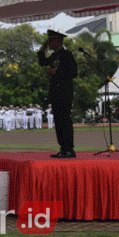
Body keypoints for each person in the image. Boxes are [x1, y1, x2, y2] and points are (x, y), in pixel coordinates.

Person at [37, 29, 78, 158]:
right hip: (55, 92)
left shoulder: (66, 54)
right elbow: (43, 62)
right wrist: (41, 51)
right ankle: (63, 147)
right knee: (58, 120)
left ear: (57, 41)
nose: (49, 43)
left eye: (51, 41)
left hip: (64, 91)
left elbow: (73, 72)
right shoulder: (54, 56)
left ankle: (69, 148)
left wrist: (56, 73)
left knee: (64, 119)